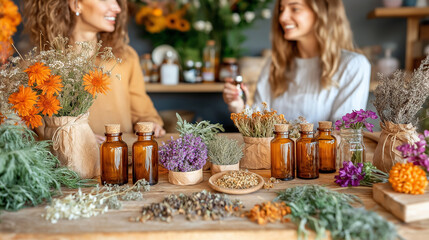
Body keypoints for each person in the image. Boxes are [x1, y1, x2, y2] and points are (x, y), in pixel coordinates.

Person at [23, 0, 166, 138]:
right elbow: (34, 126)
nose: (117, 8)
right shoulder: (37, 66)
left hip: (121, 157)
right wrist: (77, 139)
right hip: (67, 159)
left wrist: (151, 125)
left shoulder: (126, 57)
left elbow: (144, 114)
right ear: (76, 4)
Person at [223, 0, 370, 124]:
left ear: (322, 12)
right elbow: (259, 127)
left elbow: (346, 133)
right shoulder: (274, 64)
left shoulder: (353, 66)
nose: (283, 17)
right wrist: (239, 107)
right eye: (281, 9)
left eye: (295, 8)